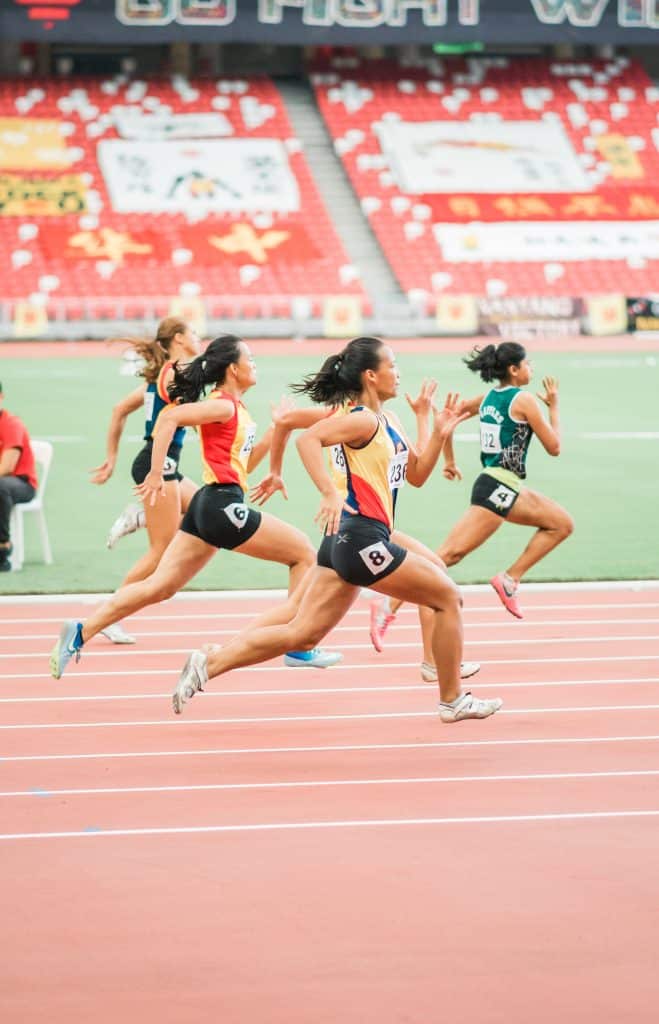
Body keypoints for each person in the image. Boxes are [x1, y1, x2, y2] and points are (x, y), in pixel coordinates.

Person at [171, 336, 502, 724]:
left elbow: (416, 475)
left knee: (302, 634)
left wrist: (437, 430)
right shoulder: (361, 419)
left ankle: (208, 664)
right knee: (446, 596)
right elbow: (308, 440)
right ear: (371, 375)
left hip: (351, 539)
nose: (398, 373)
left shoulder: (389, 421)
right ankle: (452, 699)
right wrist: (329, 491)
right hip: (360, 536)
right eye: (392, 365)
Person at [50, 335, 340, 678]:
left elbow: (242, 467)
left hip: (209, 502)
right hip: (220, 505)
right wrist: (155, 473)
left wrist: (274, 440)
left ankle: (81, 631)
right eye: (249, 358)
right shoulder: (223, 406)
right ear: (233, 369)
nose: (254, 363)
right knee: (303, 554)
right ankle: (298, 644)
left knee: (160, 586)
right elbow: (169, 419)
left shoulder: (236, 409)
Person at [250, 381, 480, 683]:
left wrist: (423, 418)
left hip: (370, 522)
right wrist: (278, 473)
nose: (396, 375)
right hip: (353, 520)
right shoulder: (345, 418)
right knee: (301, 621)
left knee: (300, 616)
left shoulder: (379, 420)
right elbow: (288, 424)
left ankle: (433, 662)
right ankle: (224, 653)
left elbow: (412, 464)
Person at [370, 341, 573, 648]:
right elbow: (555, 447)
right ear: (514, 369)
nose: (531, 368)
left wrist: (450, 461)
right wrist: (554, 407)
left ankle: (509, 579)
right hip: (499, 488)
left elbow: (450, 417)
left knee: (561, 523)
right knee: (446, 556)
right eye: (527, 364)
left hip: (501, 485)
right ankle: (389, 604)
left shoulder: (488, 398)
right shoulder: (525, 400)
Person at [88, 317, 201, 644]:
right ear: (179, 338)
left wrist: (112, 457)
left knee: (204, 510)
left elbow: (119, 409)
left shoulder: (160, 377)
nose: (199, 337)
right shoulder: (173, 376)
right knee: (160, 551)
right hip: (157, 466)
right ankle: (111, 614)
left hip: (161, 464)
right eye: (193, 332)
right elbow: (177, 417)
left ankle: (139, 517)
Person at [0, 380, 37, 572]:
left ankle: (3, 546)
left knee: (0, 487)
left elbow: (7, 467)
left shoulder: (11, 424)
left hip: (21, 483)